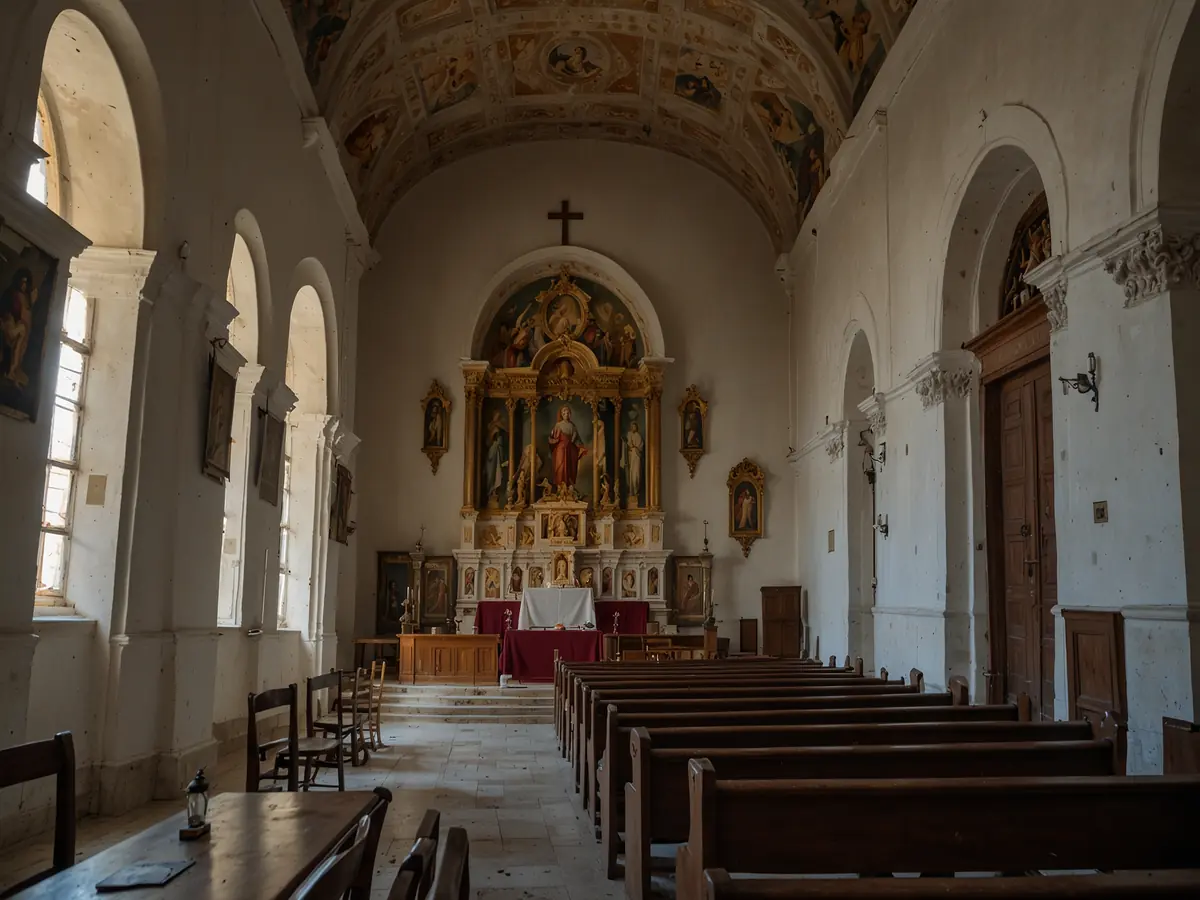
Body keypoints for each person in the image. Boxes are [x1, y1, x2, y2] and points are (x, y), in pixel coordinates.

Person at [1, 268, 38, 386]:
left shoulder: (23, 296)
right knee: (22, 329)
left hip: (14, 327)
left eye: (26, 283)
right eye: (22, 282)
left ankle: (14, 369)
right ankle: (13, 369)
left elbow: (25, 315)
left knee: (23, 330)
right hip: (6, 326)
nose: (24, 285)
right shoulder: (13, 294)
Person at [549, 405, 588, 487]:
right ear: (562, 414)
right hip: (561, 448)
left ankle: (568, 487)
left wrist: (581, 447)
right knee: (560, 466)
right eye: (564, 412)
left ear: (570, 414)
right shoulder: (558, 425)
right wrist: (554, 439)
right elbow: (553, 437)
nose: (566, 414)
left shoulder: (572, 426)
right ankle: (560, 487)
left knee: (570, 467)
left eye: (567, 412)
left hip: (570, 449)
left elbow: (577, 439)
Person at [621, 420, 644, 507]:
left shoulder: (638, 436)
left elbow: (640, 447)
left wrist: (634, 448)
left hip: (636, 457)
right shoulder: (629, 434)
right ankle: (632, 491)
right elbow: (628, 446)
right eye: (632, 426)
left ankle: (636, 490)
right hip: (632, 458)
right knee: (631, 475)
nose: (633, 428)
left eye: (635, 426)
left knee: (636, 474)